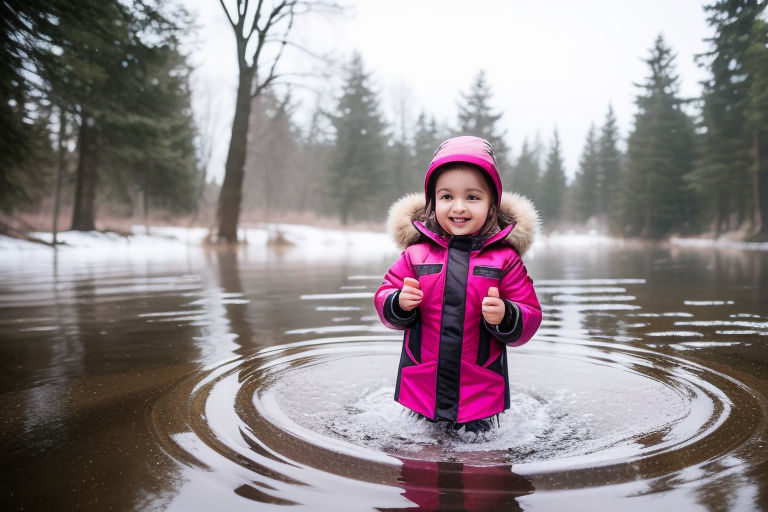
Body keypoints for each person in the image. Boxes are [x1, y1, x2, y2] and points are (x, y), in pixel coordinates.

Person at [374, 135, 542, 434]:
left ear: (492, 205)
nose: (459, 207)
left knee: (483, 470)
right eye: (447, 196)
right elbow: (384, 299)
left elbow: (530, 315)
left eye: (473, 197)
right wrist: (398, 302)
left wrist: (506, 315)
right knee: (416, 466)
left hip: (479, 391)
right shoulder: (415, 255)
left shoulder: (505, 260)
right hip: (421, 388)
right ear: (432, 202)